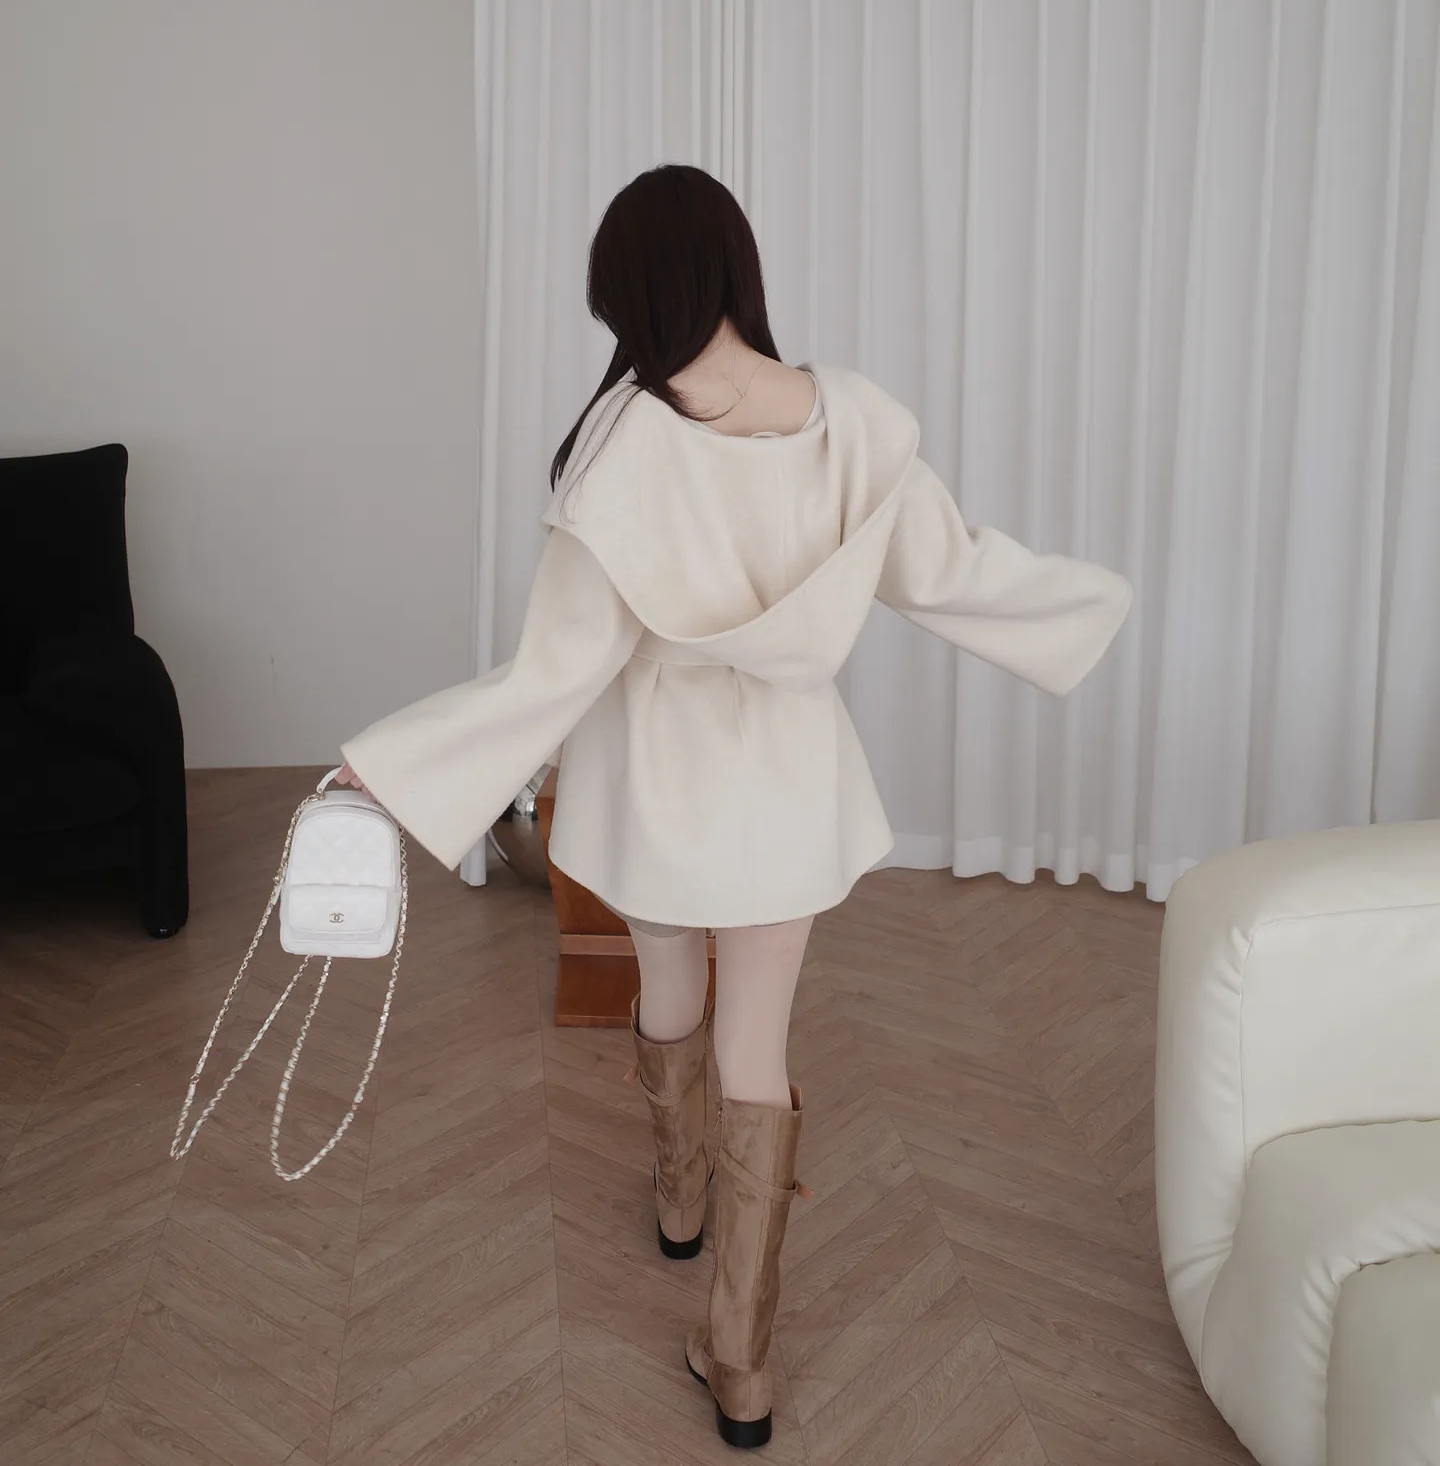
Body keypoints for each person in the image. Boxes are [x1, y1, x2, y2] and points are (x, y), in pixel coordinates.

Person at [337, 163, 1132, 1451]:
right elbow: (952, 574)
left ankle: (679, 1199)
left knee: (668, 991)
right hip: (790, 791)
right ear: (734, 268)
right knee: (759, 1049)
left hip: (659, 790)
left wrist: (387, 767)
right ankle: (743, 1361)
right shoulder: (854, 421)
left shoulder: (623, 444)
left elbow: (552, 673)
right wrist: (1097, 606)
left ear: (633, 293)